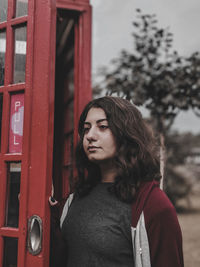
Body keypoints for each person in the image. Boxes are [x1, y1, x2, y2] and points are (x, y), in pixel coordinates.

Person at [49, 96, 184, 267]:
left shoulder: (154, 205)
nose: (90, 136)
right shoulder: (76, 196)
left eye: (103, 127)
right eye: (86, 129)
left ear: (126, 133)